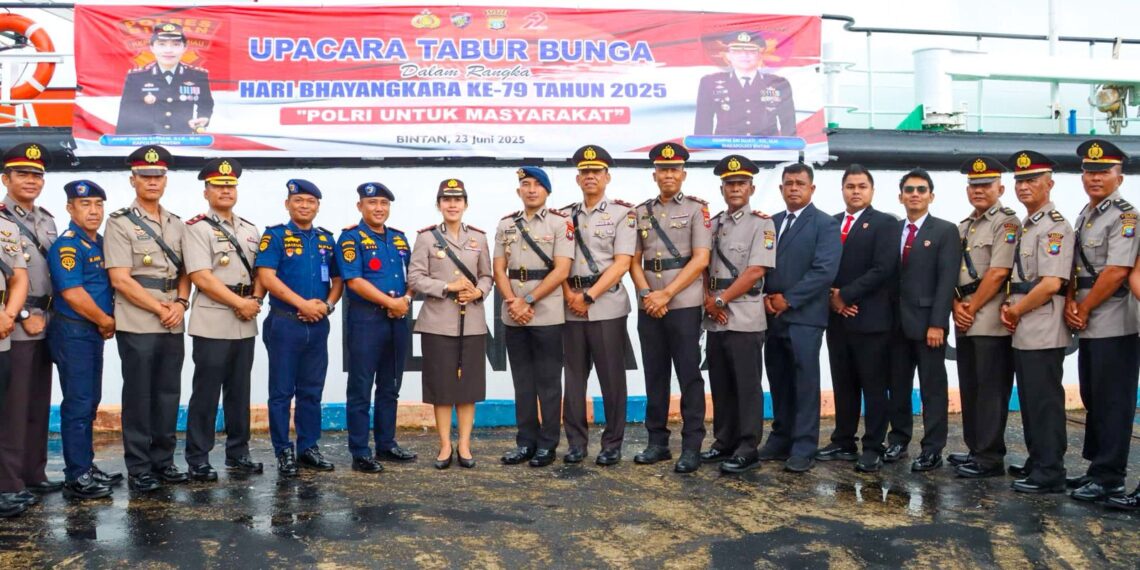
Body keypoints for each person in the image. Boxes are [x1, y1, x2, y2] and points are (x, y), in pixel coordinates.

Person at [104, 145, 190, 492]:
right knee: (139, 396)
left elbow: (186, 271)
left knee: (168, 393)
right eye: (145, 176)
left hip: (173, 317)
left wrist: (181, 303)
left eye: (158, 176)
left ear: (165, 180)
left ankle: (164, 461)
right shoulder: (119, 222)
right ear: (133, 180)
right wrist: (160, 309)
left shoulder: (177, 223)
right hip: (138, 319)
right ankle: (139, 467)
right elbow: (120, 279)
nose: (152, 182)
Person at [1064, 139, 1139, 503]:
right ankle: (1097, 468)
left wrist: (1084, 307)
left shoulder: (1125, 217)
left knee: (1113, 401)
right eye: (1089, 172)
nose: (1095, 178)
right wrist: (1072, 303)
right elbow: (1076, 266)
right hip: (1090, 319)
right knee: (1093, 396)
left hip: (1114, 321)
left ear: (1119, 177)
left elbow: (1117, 271)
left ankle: (1111, 476)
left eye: (1103, 172)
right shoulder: (1087, 213)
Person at [629, 142, 711, 474]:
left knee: (689, 375)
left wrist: (666, 294)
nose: (668, 175)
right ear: (655, 175)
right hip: (650, 304)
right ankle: (657, 442)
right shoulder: (640, 212)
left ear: (683, 174)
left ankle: (691, 446)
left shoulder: (697, 210)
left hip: (684, 303)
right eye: (663, 170)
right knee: (655, 375)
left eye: (674, 169)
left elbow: (701, 259)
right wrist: (648, 294)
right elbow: (634, 260)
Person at [183, 159, 265, 481]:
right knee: (206, 393)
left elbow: (261, 272)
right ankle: (198, 458)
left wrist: (255, 300)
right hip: (213, 318)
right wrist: (240, 303)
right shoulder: (197, 228)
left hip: (245, 319)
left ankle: (238, 453)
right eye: (218, 186)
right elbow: (201, 277)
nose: (225, 191)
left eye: (230, 185)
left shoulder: (250, 229)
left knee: (239, 392)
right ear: (206, 192)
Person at [257, 178, 342, 477]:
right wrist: (302, 304)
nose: (304, 206)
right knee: (281, 393)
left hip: (318, 325)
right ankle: (283, 451)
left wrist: (327, 306)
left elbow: (338, 280)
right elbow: (267, 277)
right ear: (287, 204)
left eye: (310, 201)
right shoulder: (275, 236)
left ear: (317, 206)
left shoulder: (325, 239)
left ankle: (308, 447)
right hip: (285, 324)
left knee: (311, 391)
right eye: (299, 200)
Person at [999, 150, 1073, 494]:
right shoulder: (1028, 224)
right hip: (1026, 325)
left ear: (1049, 184)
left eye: (1031, 180)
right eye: (1020, 181)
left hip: (1042, 325)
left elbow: (1050, 284)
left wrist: (1015, 312)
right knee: (1030, 399)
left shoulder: (1055, 226)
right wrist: (1010, 306)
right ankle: (1037, 459)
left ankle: (1050, 470)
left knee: (1044, 402)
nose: (1024, 186)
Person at [557, 145, 635, 466]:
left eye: (596, 172)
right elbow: (557, 263)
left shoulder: (622, 214)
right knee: (574, 379)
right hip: (570, 305)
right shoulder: (563, 216)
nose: (590, 176)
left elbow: (622, 263)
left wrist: (588, 297)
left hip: (606, 305)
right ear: (578, 179)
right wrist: (569, 295)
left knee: (611, 379)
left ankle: (612, 444)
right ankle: (576, 444)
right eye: (585, 172)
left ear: (607, 177)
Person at [760, 163, 841, 473]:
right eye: (789, 183)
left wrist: (789, 299)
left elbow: (824, 271)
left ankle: (804, 446)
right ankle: (781, 439)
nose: (794, 188)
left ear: (812, 188)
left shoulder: (825, 224)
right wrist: (765, 298)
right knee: (779, 379)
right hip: (772, 315)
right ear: (781, 188)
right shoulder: (771, 222)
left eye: (800, 183)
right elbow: (760, 265)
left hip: (804, 316)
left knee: (805, 383)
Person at [818, 164, 898, 473]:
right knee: (844, 383)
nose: (856, 191)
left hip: (870, 319)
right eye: (850, 186)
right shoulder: (831, 223)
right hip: (837, 319)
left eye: (862, 186)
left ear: (872, 190)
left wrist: (846, 295)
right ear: (842, 190)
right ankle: (843, 440)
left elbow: (883, 268)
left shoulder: (885, 223)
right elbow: (821, 265)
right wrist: (832, 298)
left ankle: (874, 446)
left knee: (874, 387)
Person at [407, 179, 492, 469]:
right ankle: (445, 445)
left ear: (465, 204)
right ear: (439, 204)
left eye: (457, 200)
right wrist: (447, 287)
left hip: (472, 322)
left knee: (468, 388)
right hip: (437, 323)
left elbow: (487, 276)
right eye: (446, 200)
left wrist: (478, 292)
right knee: (441, 388)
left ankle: (465, 444)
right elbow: (415, 278)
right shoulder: (426, 238)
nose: (452, 205)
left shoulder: (479, 238)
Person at [701, 154, 776, 474]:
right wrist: (709, 300)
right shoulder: (713, 223)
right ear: (722, 189)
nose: (735, 188)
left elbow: (756, 270)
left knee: (746, 385)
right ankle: (724, 440)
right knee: (720, 383)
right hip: (715, 315)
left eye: (741, 183)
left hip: (744, 314)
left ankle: (748, 447)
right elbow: (703, 265)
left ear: (751, 188)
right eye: (729, 184)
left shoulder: (762, 224)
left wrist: (720, 301)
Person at [494, 166, 572, 468]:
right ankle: (525, 442)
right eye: (526, 184)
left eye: (537, 185)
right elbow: (499, 268)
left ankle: (547, 445)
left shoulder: (560, 223)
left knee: (549, 383)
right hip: (514, 313)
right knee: (523, 382)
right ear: (519, 191)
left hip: (546, 312)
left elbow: (562, 270)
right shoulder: (506, 224)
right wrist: (513, 301)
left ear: (547, 191)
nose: (531, 190)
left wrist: (527, 300)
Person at [0, 143, 64, 508]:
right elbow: (11, 279)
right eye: (22, 174)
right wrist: (23, 315)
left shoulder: (47, 220)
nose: (31, 180)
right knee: (14, 407)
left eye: (37, 175)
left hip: (48, 321)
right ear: (5, 179)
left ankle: (33, 473)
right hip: (18, 324)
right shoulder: (2, 219)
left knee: (38, 402)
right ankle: (9, 481)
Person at [949, 156, 1019, 479]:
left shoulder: (1007, 223)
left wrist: (971, 308)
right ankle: (975, 448)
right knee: (970, 387)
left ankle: (990, 457)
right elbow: (951, 273)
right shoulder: (964, 226)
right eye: (973, 185)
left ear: (1000, 189)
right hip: (964, 316)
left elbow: (998, 272)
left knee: (991, 390)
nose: (978, 190)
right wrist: (956, 306)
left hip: (990, 319)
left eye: (986, 185)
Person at [885, 168, 959, 472]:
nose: (914, 194)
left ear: (931, 196)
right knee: (898, 387)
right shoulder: (891, 230)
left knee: (932, 389)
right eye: (909, 190)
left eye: (921, 189)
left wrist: (938, 323)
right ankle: (898, 440)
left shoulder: (945, 231)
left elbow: (946, 280)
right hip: (894, 325)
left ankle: (932, 449)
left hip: (928, 325)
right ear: (900, 196)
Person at [337, 182, 414, 474]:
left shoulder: (399, 239)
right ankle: (360, 452)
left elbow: (413, 277)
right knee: (360, 388)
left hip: (397, 320)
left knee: (390, 386)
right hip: (366, 321)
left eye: (384, 203)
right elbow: (354, 281)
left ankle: (386, 444)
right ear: (360, 206)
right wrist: (390, 302)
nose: (378, 208)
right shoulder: (350, 238)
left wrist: (405, 300)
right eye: (372, 203)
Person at [47, 180, 115, 501]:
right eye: (85, 204)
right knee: (78, 403)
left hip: (91, 333)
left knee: (90, 402)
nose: (93, 211)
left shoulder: (99, 242)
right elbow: (72, 293)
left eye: (98, 204)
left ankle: (86, 465)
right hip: (74, 332)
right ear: (70, 208)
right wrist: (104, 320)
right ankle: (77, 476)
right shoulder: (68, 246)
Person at [116, 23, 214, 135]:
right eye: (162, 44)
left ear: (185, 48)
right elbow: (126, 115)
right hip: (147, 140)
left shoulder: (197, 76)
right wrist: (123, 141)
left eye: (176, 45)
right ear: (152, 48)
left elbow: (206, 104)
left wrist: (203, 119)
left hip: (182, 139)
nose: (168, 50)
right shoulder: (136, 77)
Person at [694, 31, 796, 137]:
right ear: (728, 55)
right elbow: (703, 125)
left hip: (767, 145)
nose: (744, 55)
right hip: (725, 145)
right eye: (737, 51)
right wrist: (702, 146)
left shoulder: (778, 84)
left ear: (760, 55)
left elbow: (788, 125)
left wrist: (789, 146)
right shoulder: (709, 83)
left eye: (751, 51)